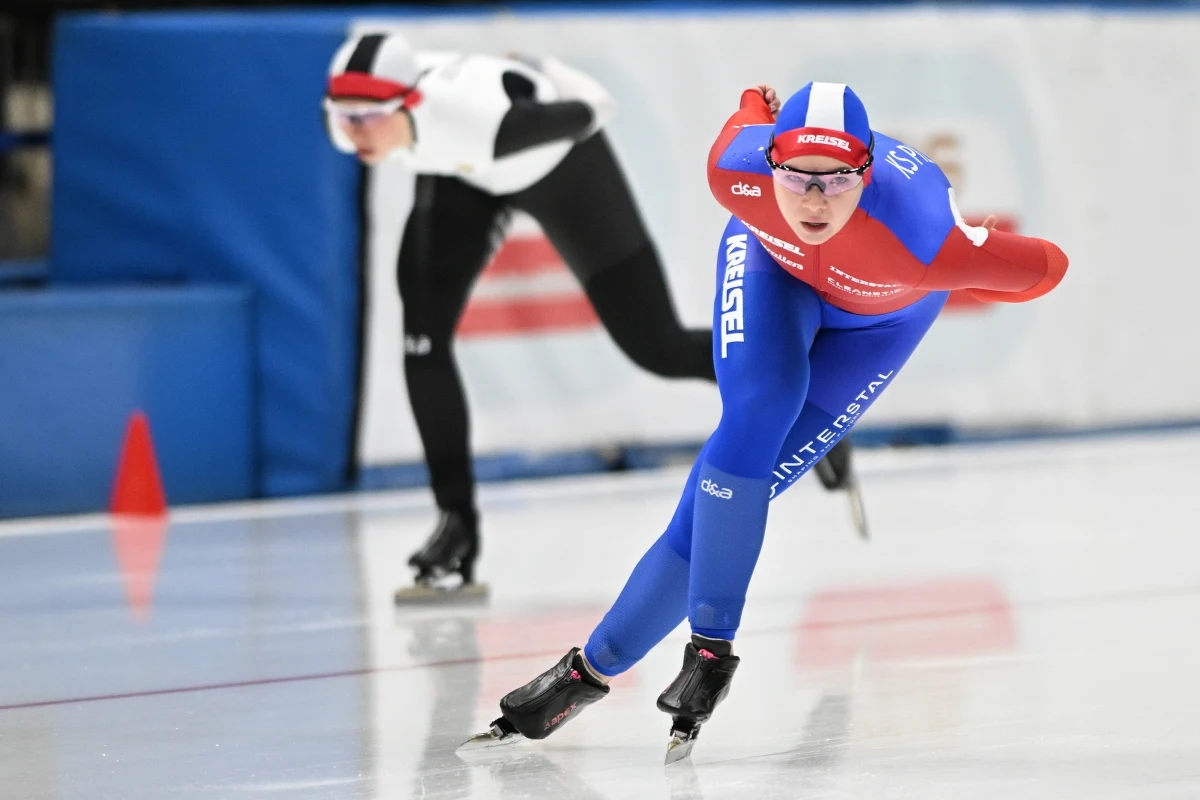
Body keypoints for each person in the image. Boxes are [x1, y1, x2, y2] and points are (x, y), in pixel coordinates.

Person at [460, 81, 1068, 762]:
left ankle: (586, 675)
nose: (812, 199)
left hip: (877, 325)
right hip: (769, 270)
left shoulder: (923, 237)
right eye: (796, 176)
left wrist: (962, 266)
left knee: (714, 512)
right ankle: (709, 654)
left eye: (836, 180)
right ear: (769, 163)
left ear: (865, 174)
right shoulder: (735, 172)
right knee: (758, 409)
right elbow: (748, 116)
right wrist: (755, 102)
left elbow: (1048, 267)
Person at [324, 34, 861, 601]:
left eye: (369, 117)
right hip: (461, 172)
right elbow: (365, 108)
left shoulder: (480, 120)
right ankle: (455, 522)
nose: (354, 131)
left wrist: (541, 71)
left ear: (409, 104)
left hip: (559, 166)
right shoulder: (366, 120)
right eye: (344, 115)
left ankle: (805, 394)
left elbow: (593, 108)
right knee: (421, 343)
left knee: (654, 345)